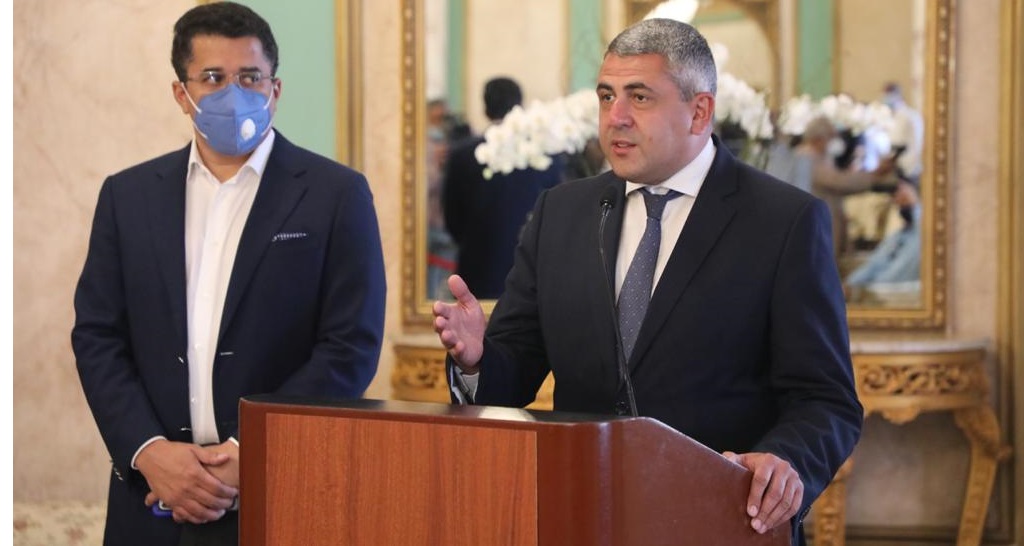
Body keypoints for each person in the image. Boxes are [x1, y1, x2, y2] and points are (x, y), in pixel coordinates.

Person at [433, 18, 862, 546]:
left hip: (723, 523)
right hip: (581, 518)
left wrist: (785, 461)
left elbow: (826, 400)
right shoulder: (561, 212)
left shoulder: (784, 221)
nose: (615, 117)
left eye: (639, 97)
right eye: (606, 96)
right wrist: (477, 360)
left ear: (699, 111)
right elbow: (516, 369)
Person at [71, 3, 386, 545]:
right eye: (213, 78)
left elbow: (349, 346)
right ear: (181, 93)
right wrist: (149, 450)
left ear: (275, 89)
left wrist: (254, 448)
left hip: (281, 493)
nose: (233, 93)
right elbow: (98, 336)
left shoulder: (336, 195)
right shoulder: (127, 196)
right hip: (151, 499)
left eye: (249, 77)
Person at [441, 76, 564, 299]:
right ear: (519, 106)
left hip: (477, 265)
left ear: (485, 108)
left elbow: (452, 217)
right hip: (530, 270)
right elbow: (556, 216)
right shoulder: (547, 156)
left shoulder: (462, 155)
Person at [798, 116, 895, 256]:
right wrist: (873, 176)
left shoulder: (821, 157)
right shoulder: (807, 157)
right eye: (831, 136)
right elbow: (838, 181)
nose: (834, 141)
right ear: (818, 139)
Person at [882, 81, 925, 181]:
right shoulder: (896, 116)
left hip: (907, 166)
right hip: (903, 165)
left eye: (887, 95)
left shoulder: (906, 116)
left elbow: (898, 144)